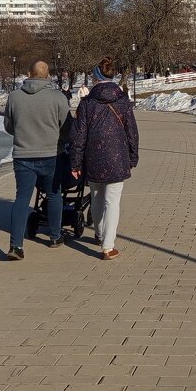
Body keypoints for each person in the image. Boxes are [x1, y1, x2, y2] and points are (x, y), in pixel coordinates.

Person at [70, 56, 139, 260]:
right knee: (112, 201)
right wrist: (133, 156)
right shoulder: (123, 101)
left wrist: (75, 162)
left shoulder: (87, 103)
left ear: (96, 78)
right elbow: (132, 132)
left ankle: (100, 234)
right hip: (118, 157)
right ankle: (108, 246)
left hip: (93, 157)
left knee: (97, 196)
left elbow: (79, 135)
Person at [3, 60, 70, 260]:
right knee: (54, 195)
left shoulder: (14, 97)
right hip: (52, 154)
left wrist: (24, 134)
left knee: (22, 199)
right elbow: (66, 127)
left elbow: (8, 126)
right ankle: (55, 236)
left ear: (28, 73)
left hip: (23, 155)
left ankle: (16, 246)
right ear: (48, 75)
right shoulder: (58, 97)